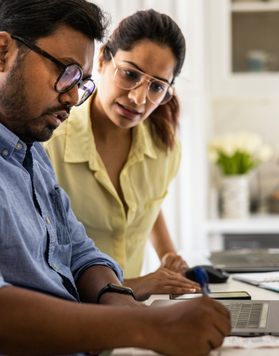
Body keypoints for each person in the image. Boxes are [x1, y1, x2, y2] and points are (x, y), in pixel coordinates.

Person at [0, 0, 231, 355]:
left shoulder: (28, 147)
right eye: (67, 72)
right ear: (2, 52)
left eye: (81, 82)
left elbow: (78, 250)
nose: (74, 97)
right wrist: (144, 326)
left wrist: (120, 300)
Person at [44, 9, 197, 301]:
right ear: (102, 60)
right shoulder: (50, 145)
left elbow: (146, 208)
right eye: (130, 74)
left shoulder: (164, 148)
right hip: (72, 317)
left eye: (156, 87)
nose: (139, 98)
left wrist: (170, 257)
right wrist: (138, 285)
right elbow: (43, 264)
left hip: (129, 319)